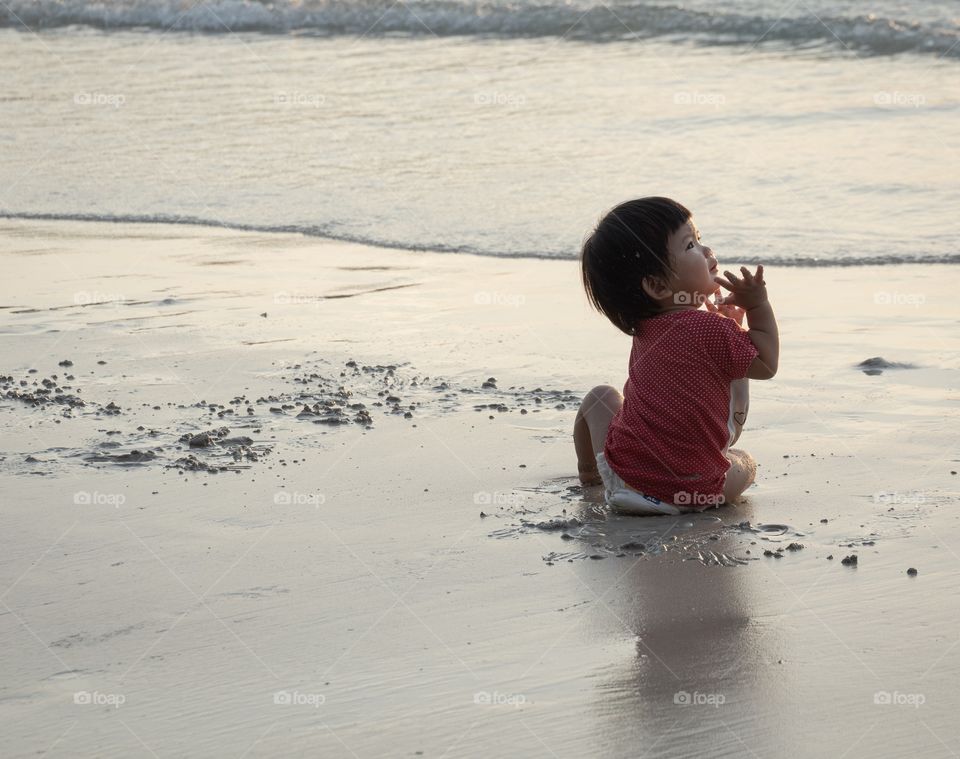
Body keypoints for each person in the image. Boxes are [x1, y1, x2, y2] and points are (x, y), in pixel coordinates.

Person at [574, 197, 779, 516]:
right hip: (693, 490)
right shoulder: (711, 329)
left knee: (600, 397)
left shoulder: (644, 326)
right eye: (690, 246)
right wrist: (758, 307)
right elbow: (766, 365)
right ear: (655, 285)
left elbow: (691, 354)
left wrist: (729, 327)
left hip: (625, 481)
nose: (707, 251)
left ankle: (591, 476)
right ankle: (670, 494)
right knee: (744, 461)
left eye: (698, 238)